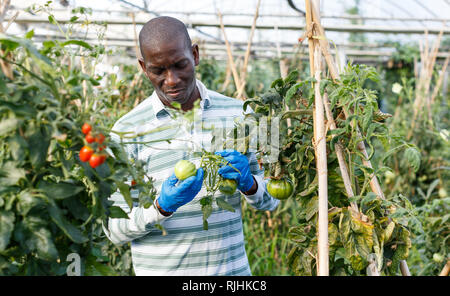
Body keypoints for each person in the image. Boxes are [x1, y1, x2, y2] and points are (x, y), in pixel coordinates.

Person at [103, 16, 280, 276]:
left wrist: (250, 184)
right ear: (143, 67)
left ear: (195, 55)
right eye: (158, 70)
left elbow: (272, 200)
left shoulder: (240, 114)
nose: (172, 79)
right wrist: (160, 208)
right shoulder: (125, 132)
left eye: (179, 65)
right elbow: (113, 229)